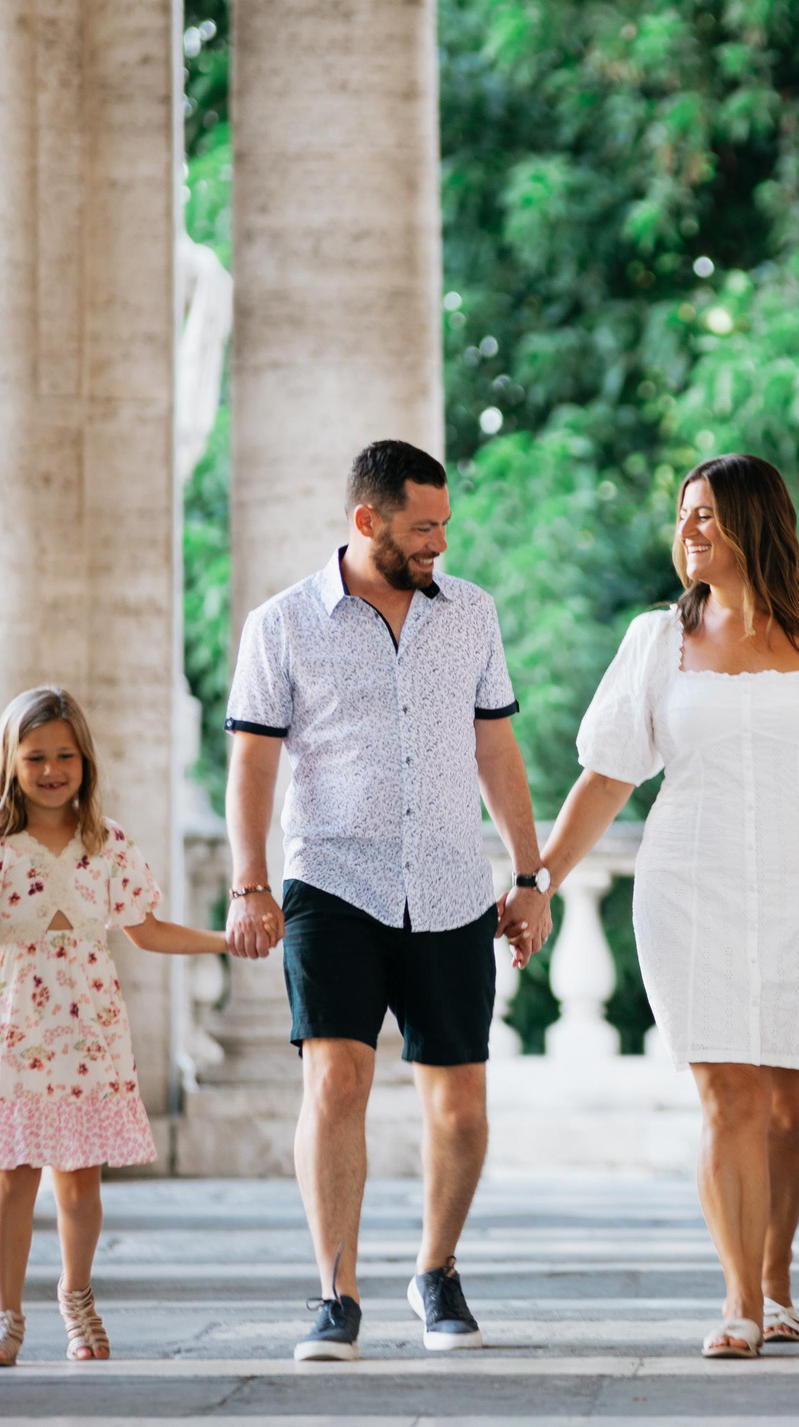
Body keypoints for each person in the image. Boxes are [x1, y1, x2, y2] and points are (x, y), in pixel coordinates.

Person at [538, 453, 799, 1359]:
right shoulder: (656, 641)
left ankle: (776, 1273)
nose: (687, 529)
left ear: (754, 522)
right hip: (691, 889)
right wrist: (540, 881)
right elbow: (606, 778)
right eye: (683, 513)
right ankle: (738, 1299)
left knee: (790, 1115)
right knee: (728, 1099)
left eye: (706, 514)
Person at [220, 440, 546, 1363]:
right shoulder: (281, 624)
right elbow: (253, 763)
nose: (439, 542)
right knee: (336, 1083)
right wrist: (250, 881)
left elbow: (496, 750)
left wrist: (530, 877)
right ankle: (336, 1291)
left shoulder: (472, 612)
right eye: (423, 526)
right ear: (367, 521)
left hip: (450, 885)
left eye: (444, 524)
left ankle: (435, 1270)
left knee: (463, 1108)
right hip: (332, 883)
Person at [0, 685, 228, 1367]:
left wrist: (223, 941)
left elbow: (147, 930)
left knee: (80, 1181)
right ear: (11, 762)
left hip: (87, 1036)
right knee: (12, 1178)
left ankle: (78, 1297)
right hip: (12, 1037)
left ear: (85, 761)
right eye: (35, 756)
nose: (51, 769)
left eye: (65, 755)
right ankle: (4, 1318)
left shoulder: (107, 843)